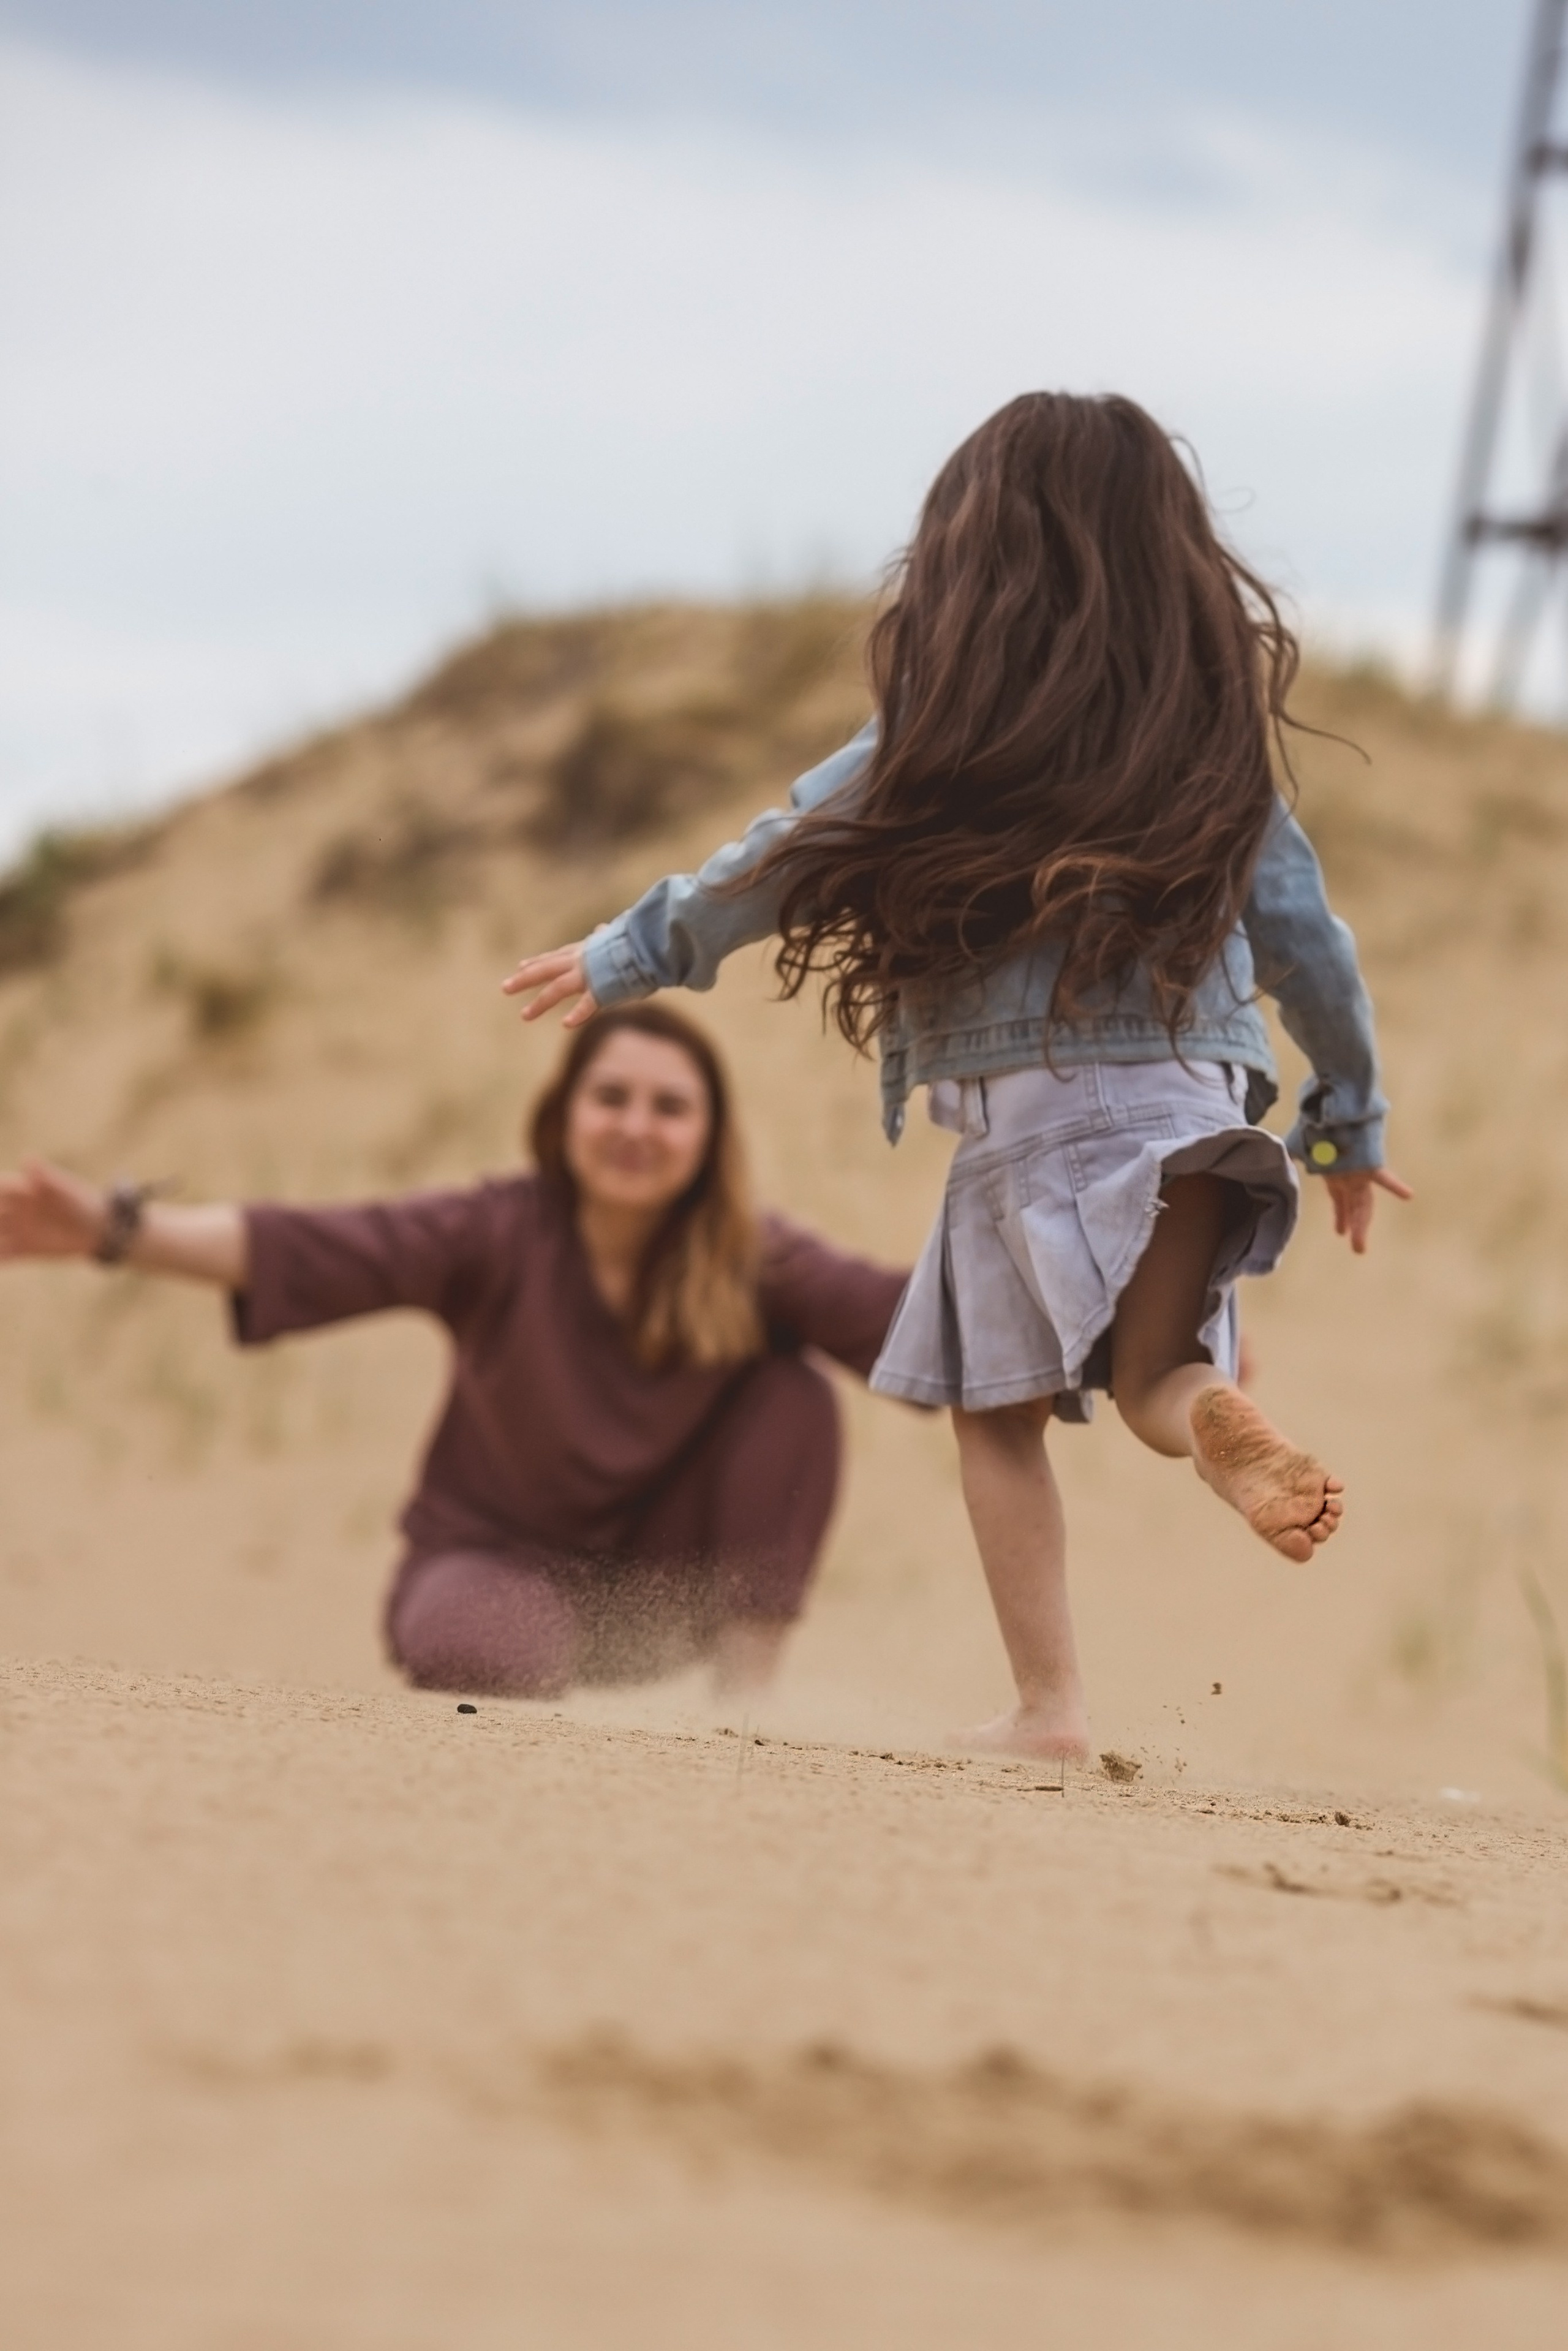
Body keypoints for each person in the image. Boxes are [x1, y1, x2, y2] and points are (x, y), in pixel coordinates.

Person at [502, 391, 1412, 1760]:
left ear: (970, 565)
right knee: (1161, 1376)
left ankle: (1050, 1708)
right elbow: (1312, 949)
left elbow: (778, 854)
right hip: (1199, 1107)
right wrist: (1347, 1126)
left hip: (1033, 1117)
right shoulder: (1215, 761)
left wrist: (632, 950)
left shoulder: (937, 739)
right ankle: (1216, 1422)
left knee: (995, 1416)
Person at [0, 1004, 908, 1699]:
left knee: (794, 1392)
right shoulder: (494, 1231)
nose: (636, 1126)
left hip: (660, 1599)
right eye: (611, 1098)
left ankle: (746, 1715)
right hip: (492, 1574)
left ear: (709, 1139)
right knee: (489, 1643)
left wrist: (1001, 1241)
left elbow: (903, 1325)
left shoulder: (753, 1257)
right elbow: (316, 1247)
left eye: (670, 1107)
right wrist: (114, 1230)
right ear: (564, 1115)